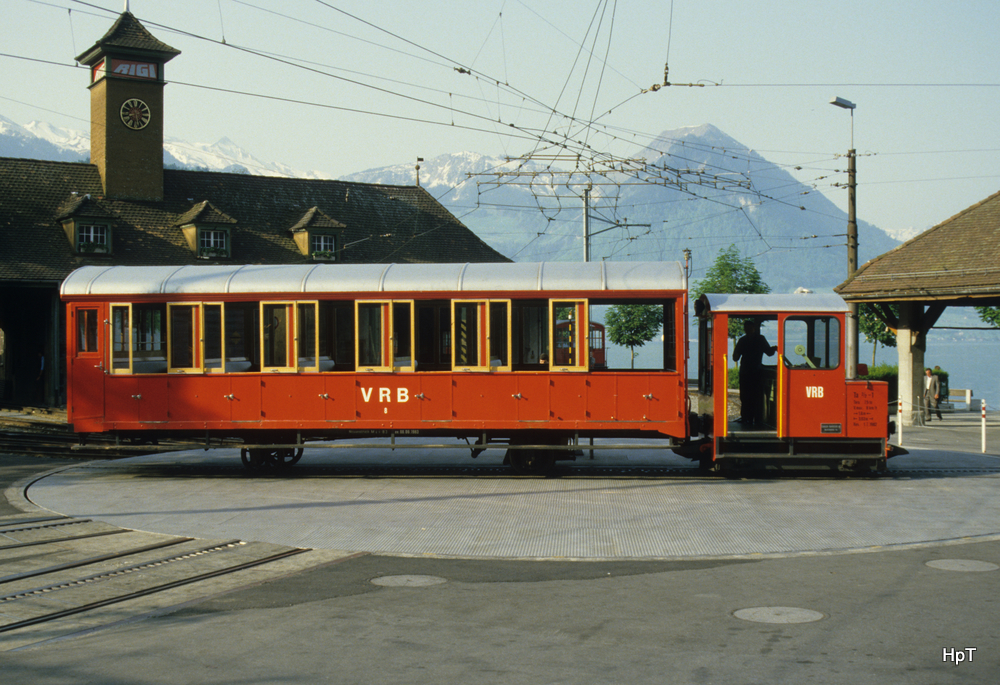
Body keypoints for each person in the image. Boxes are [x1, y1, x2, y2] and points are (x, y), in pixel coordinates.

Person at [732, 320, 776, 428]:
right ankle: (756, 418)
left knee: (745, 395)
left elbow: (735, 357)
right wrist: (775, 348)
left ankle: (746, 417)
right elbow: (769, 353)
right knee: (756, 396)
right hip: (756, 371)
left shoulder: (742, 340)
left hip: (745, 371)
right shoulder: (760, 339)